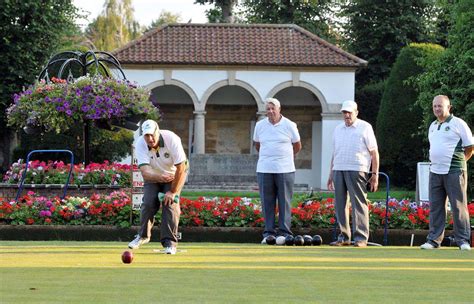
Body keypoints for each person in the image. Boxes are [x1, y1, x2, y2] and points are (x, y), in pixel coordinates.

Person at [421, 95, 473, 251]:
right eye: (435, 106)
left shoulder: (458, 123)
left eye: (440, 106)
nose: (437, 109)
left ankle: (463, 240)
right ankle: (433, 240)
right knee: (436, 207)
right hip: (435, 171)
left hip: (455, 171)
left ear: (449, 107)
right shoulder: (433, 125)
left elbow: (470, 147)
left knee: (458, 207)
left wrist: (461, 162)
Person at [128, 119, 188, 254]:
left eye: (151, 135)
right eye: (146, 135)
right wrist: (160, 177)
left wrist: (173, 191)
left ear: (157, 131)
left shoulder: (171, 139)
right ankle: (142, 236)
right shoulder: (140, 144)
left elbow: (181, 168)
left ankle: (170, 244)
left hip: (174, 176)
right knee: (148, 203)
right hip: (154, 177)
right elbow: (145, 172)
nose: (149, 139)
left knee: (170, 204)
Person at [327, 100, 379, 247]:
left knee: (359, 204)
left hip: (358, 169)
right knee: (340, 204)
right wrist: (331, 173)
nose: (347, 115)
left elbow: (374, 153)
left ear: (356, 112)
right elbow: (334, 153)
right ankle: (344, 237)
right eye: (344, 112)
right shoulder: (338, 129)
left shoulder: (365, 127)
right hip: (339, 168)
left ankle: (361, 238)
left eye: (349, 112)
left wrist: (374, 175)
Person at [253, 98, 302, 243]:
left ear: (279, 109)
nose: (270, 111)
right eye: (268, 109)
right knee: (267, 202)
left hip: (285, 169)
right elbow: (257, 144)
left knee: (284, 202)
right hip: (264, 169)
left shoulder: (289, 125)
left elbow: (297, 145)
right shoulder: (259, 125)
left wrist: (285, 157)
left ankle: (284, 232)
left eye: (273, 108)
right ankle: (268, 233)